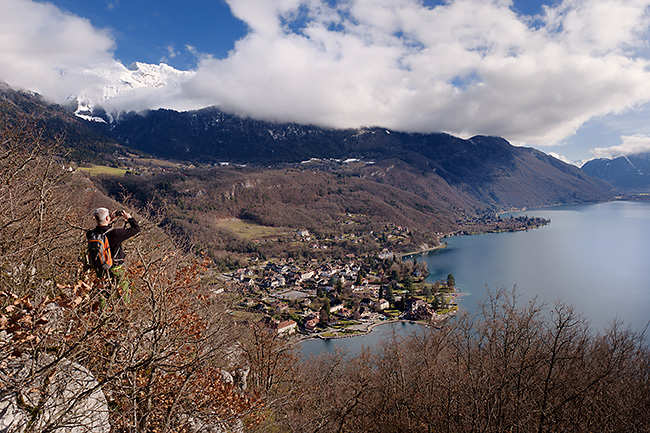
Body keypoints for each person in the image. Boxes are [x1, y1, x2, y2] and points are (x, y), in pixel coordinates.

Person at [87, 207, 141, 303]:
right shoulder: (115, 233)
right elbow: (136, 229)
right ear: (107, 218)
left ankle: (102, 314)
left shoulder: (91, 234)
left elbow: (101, 229)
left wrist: (108, 220)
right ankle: (125, 313)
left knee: (104, 294)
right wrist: (129, 218)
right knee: (123, 293)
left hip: (101, 268)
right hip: (116, 268)